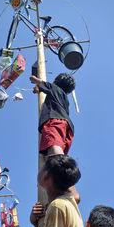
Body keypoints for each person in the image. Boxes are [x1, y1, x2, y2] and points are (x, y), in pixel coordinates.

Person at [30, 73, 80, 203]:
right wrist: (39, 89)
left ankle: (71, 188)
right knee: (55, 158)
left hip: (55, 121)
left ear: (56, 82)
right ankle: (60, 190)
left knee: (55, 154)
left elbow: (38, 81)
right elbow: (42, 88)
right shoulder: (63, 97)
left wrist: (35, 80)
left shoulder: (54, 88)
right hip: (66, 127)